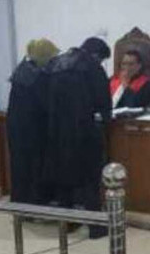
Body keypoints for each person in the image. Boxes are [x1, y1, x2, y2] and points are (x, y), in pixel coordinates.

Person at [44, 37, 111, 238]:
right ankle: (96, 228)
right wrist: (106, 119)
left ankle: (67, 224)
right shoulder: (92, 68)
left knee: (64, 179)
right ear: (96, 54)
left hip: (58, 131)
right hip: (85, 130)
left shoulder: (56, 64)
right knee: (90, 179)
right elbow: (103, 100)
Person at [7, 38, 59, 205]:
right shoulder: (38, 76)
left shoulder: (21, 71)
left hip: (17, 128)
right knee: (36, 169)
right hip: (34, 130)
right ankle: (36, 203)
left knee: (20, 168)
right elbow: (46, 105)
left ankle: (20, 202)